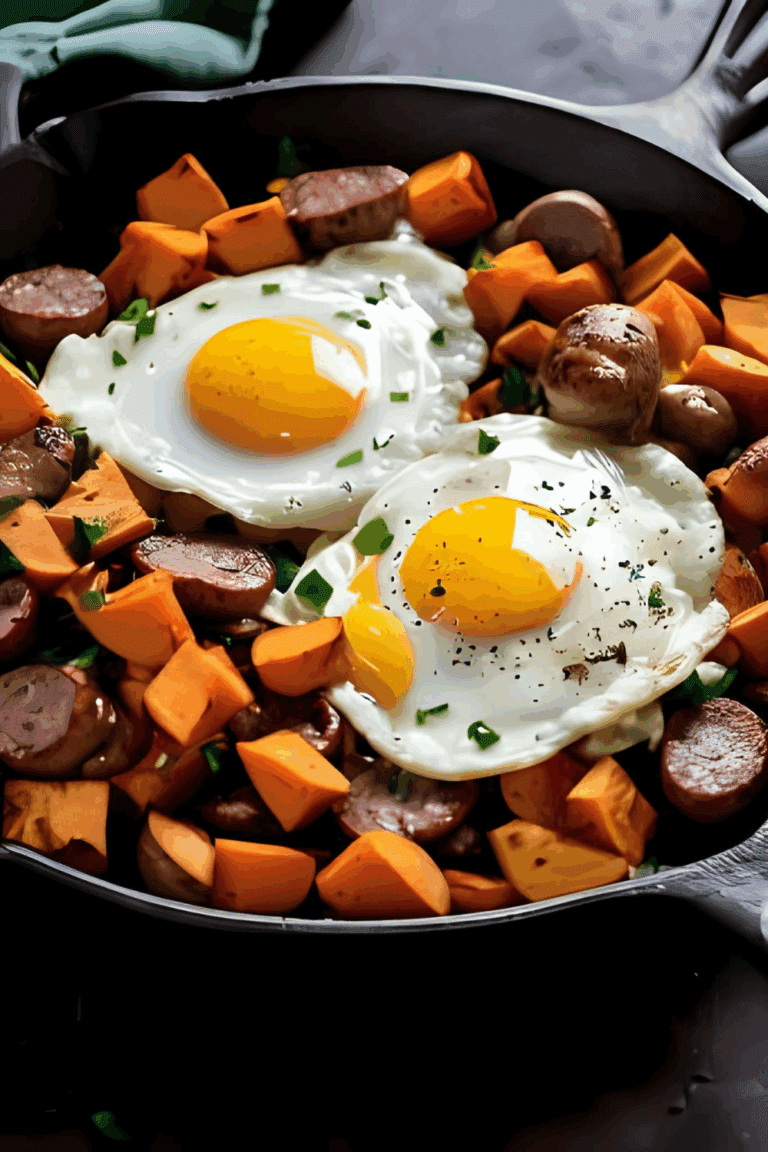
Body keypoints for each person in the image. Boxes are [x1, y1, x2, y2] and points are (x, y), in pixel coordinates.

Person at [0, 0, 274, 83]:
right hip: (195, 15)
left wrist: (59, 51)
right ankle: (47, 52)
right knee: (48, 40)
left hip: (235, 46)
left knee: (49, 54)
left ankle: (46, 56)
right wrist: (60, 31)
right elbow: (163, 6)